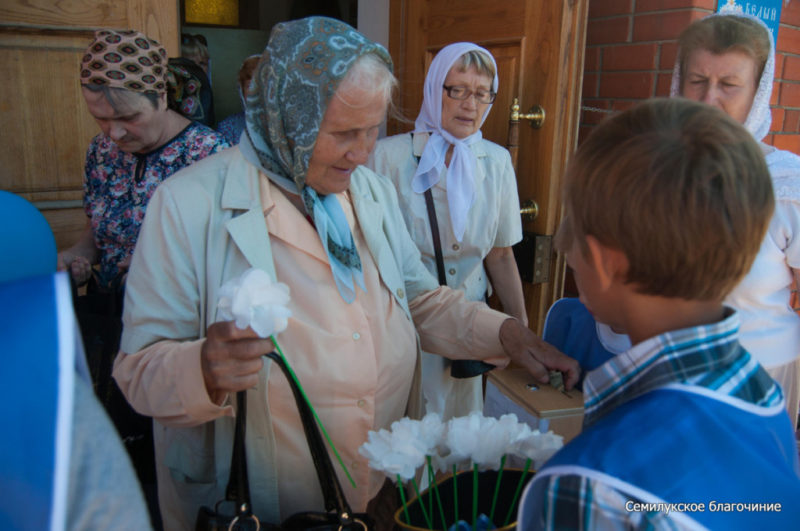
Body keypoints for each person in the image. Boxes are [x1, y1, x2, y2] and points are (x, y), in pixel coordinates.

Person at [112, 16, 579, 530]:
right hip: (277, 501)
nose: (363, 151)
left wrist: (507, 332)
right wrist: (202, 368)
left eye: (373, 129)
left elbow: (418, 298)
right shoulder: (186, 205)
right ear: (285, 119)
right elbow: (139, 372)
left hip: (383, 484)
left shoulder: (366, 191)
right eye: (342, 134)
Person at [517, 98, 800, 529]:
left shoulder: (590, 486)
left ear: (605, 262)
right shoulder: (762, 392)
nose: (563, 246)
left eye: (573, 225)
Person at [369, 43, 526, 419]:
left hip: (471, 333)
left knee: (458, 445)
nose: (470, 104)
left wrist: (519, 331)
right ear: (433, 87)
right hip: (407, 328)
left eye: (482, 92)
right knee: (407, 439)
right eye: (456, 89)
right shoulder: (387, 158)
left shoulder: (497, 162)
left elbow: (500, 254)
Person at [670, 12, 800, 428]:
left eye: (729, 85)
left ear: (759, 93)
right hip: (666, 373)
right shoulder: (654, 170)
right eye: (697, 81)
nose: (709, 100)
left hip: (760, 380)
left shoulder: (787, 185)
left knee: (741, 495)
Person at [57, 29, 229, 292]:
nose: (114, 133)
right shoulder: (101, 151)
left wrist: (160, 266)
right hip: (111, 314)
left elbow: (229, 253)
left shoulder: (210, 155)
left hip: (176, 318)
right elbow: (97, 230)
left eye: (129, 118)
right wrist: (76, 257)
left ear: (161, 97)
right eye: (101, 118)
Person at [217, 54, 261, 145]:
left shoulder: (285, 128)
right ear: (241, 90)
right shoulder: (228, 127)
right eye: (250, 86)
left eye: (263, 86)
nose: (256, 92)